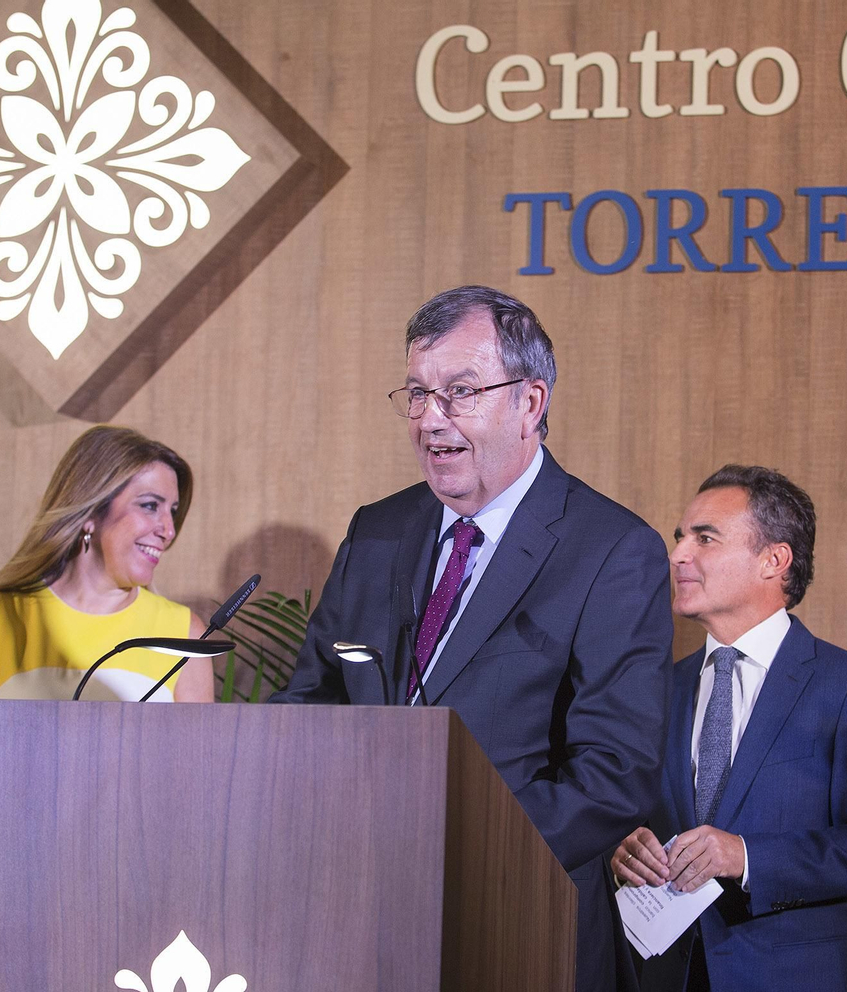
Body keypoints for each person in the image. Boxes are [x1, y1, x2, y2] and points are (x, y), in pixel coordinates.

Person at [271, 285, 673, 992]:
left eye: (460, 392)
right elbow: (315, 696)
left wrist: (455, 855)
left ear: (530, 402)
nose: (431, 420)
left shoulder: (610, 550)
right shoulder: (379, 531)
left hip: (518, 920)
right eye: (418, 394)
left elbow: (614, 774)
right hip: (357, 915)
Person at [614, 465, 847, 992]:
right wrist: (623, 849)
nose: (679, 554)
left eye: (704, 538)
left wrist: (747, 857)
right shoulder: (658, 687)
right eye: (680, 537)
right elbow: (628, 811)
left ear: (774, 560)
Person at [0, 425, 215, 799]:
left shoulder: (185, 634)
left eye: (172, 512)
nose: (168, 530)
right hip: (9, 850)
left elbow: (195, 788)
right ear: (91, 511)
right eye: (150, 506)